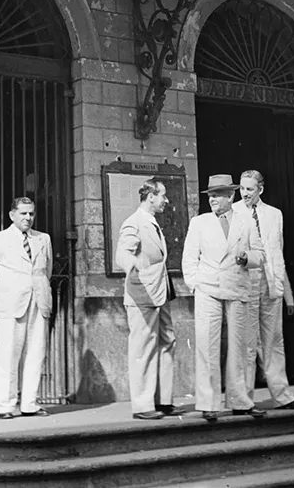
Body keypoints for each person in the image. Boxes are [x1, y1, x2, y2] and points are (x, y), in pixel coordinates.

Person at [182, 174, 265, 422]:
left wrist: (246, 259)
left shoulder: (246, 221)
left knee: (239, 346)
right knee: (207, 345)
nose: (213, 200)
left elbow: (260, 254)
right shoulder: (199, 223)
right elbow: (189, 257)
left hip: (237, 287)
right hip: (208, 288)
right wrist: (195, 284)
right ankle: (209, 403)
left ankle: (240, 401)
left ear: (231, 196)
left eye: (219, 194)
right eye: (211, 195)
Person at [232, 169, 294, 410]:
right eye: (241, 188)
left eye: (249, 189)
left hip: (271, 283)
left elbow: (277, 254)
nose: (244, 194)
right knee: (247, 343)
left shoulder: (275, 215)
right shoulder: (233, 213)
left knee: (274, 340)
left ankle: (282, 395)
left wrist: (288, 293)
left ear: (260, 189)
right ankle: (245, 399)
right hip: (245, 283)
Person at [0, 196, 53, 418]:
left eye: (31, 213)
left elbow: (46, 270)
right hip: (10, 305)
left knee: (35, 353)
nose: (28, 218)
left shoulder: (43, 239)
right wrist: (1, 299)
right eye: (23, 213)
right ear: (12, 215)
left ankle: (30, 403)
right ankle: (5, 405)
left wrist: (40, 292)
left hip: (37, 302)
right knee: (8, 354)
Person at [115, 179, 180, 420]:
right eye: (163, 195)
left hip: (159, 293)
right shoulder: (134, 222)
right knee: (143, 347)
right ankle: (143, 406)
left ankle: (163, 400)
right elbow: (123, 251)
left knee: (167, 340)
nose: (166, 200)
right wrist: (131, 263)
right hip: (143, 293)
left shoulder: (152, 223)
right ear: (150, 196)